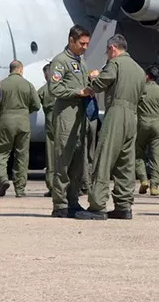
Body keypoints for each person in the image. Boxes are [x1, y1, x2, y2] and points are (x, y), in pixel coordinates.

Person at [80, 34, 145, 220]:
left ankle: (97, 205)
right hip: (132, 116)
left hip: (116, 112)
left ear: (113, 49)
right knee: (126, 162)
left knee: (104, 158)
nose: (108, 55)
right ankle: (124, 206)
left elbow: (100, 84)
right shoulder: (139, 70)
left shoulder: (115, 64)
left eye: (108, 52)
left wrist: (93, 77)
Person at [47, 25, 94, 218]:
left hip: (80, 118)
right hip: (66, 116)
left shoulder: (80, 61)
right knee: (63, 161)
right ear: (71, 41)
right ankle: (60, 204)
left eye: (87, 44)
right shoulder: (61, 61)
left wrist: (90, 81)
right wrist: (78, 92)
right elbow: (54, 89)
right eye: (82, 43)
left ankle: (73, 201)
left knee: (77, 162)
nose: (85, 47)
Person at [0, 60, 40, 197]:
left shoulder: (1, 85)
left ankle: (2, 179)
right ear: (21, 70)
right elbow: (36, 105)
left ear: (10, 69)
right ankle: (20, 189)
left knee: (1, 153)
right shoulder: (28, 85)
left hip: (5, 121)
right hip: (23, 122)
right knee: (22, 155)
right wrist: (25, 111)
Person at [134, 65, 159, 196]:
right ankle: (154, 186)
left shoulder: (140, 90)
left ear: (147, 76)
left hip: (142, 124)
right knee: (156, 156)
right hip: (157, 125)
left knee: (138, 153)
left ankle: (143, 179)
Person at [37, 64, 57, 198]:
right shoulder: (63, 86)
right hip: (65, 122)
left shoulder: (44, 89)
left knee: (51, 156)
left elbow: (33, 103)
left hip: (50, 124)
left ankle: (52, 186)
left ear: (45, 75)